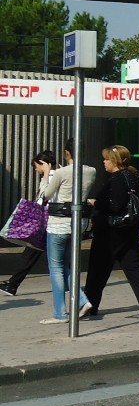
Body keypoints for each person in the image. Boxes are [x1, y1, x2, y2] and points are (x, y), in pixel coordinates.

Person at [82, 145, 139, 317]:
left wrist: (95, 202)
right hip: (130, 229)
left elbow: (115, 205)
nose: (104, 162)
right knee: (131, 265)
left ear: (115, 161)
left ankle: (90, 304)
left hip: (111, 231)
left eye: (106, 159)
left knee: (98, 267)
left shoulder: (117, 179)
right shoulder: (132, 176)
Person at [39, 139, 96, 324]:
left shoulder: (61, 172)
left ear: (66, 153)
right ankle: (81, 300)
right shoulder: (91, 171)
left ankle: (61, 313)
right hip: (78, 224)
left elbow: (46, 195)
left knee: (56, 267)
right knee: (67, 266)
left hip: (58, 223)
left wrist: (46, 175)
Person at [0, 155, 46, 295]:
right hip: (45, 223)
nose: (35, 169)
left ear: (42, 163)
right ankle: (12, 284)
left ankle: (12, 285)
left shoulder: (51, 177)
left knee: (31, 255)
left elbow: (45, 197)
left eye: (36, 166)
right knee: (33, 254)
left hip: (44, 224)